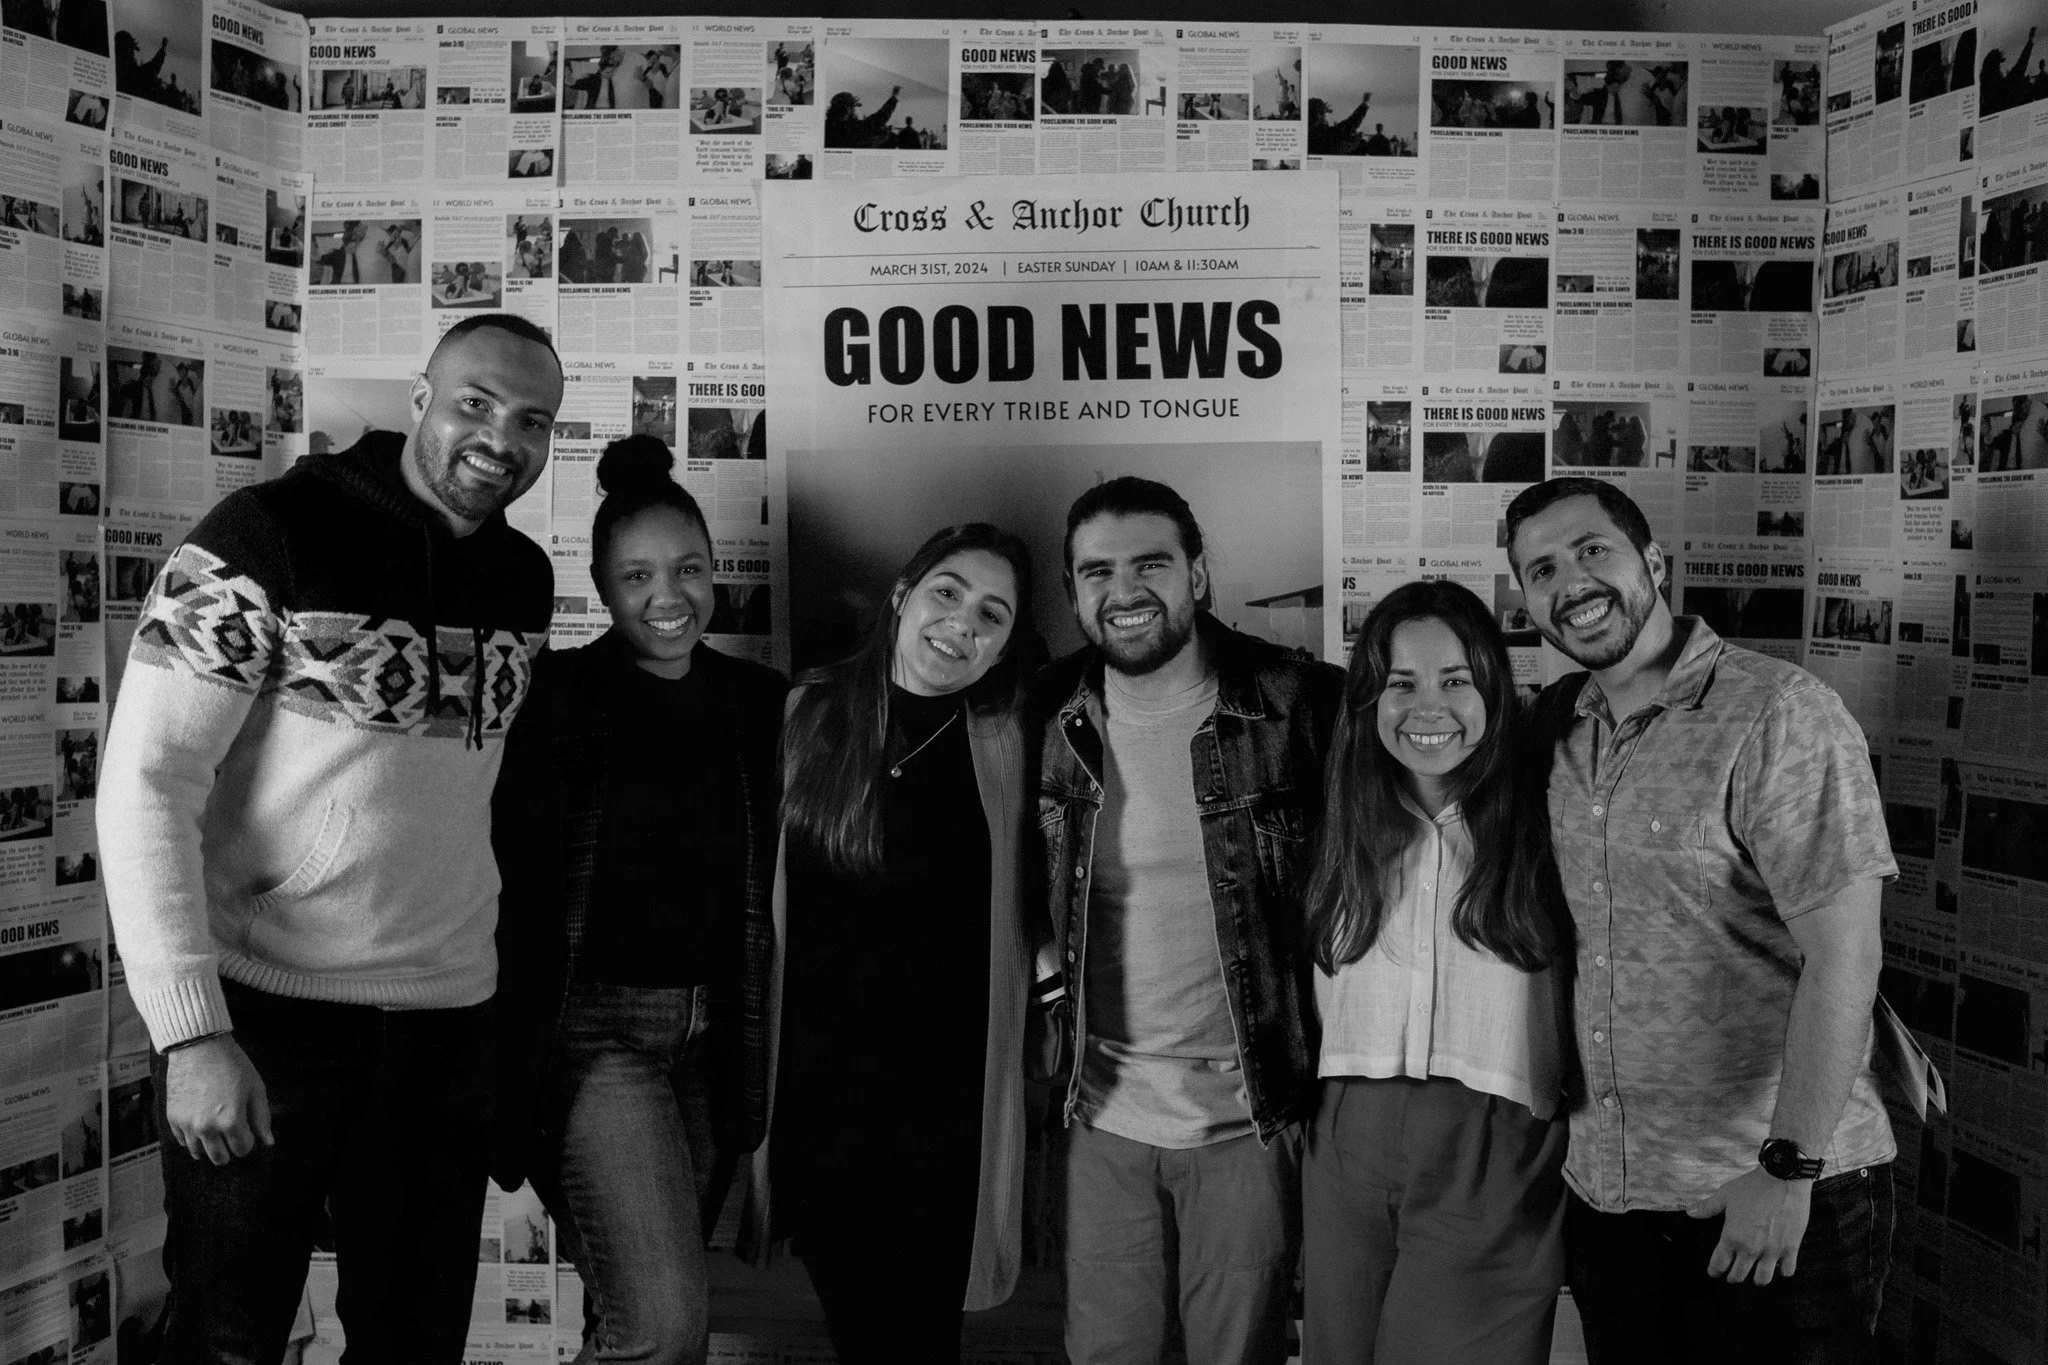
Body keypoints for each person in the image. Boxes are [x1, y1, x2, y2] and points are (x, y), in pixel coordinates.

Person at [97, 313, 565, 1364]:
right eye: (476, 404)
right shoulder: (264, 533)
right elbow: (145, 785)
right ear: (420, 399)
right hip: (268, 1021)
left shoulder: (524, 580)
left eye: (532, 421)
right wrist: (192, 1033)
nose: (501, 438)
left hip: (446, 1029)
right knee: (227, 1340)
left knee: (416, 1345)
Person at [1505, 477, 1898, 1365]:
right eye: (1542, 569)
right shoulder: (1556, 729)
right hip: (1613, 1197)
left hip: (1766, 1191)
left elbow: (1847, 954)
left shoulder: (1777, 712)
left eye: (1591, 550)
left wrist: (1787, 1168)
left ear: (1652, 560)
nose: (1571, 581)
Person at [1033, 476, 1343, 1365]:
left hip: (1248, 1114)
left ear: (1198, 575)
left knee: (1237, 1353)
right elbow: (1019, 886)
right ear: (1074, 592)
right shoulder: (1045, 715)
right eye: (1097, 571)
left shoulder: (1301, 703)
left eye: (1150, 564)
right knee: (1104, 1353)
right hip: (1100, 1115)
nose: (1123, 591)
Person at [493, 436, 787, 1365]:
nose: (670, 596)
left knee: (633, 1315)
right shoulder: (556, 696)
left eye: (690, 568)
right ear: (602, 584)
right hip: (596, 1037)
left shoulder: (762, 702)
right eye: (638, 575)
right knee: (661, 1326)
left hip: (716, 1041)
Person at [765, 523, 1042, 1364]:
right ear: (902, 594)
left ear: (1003, 648)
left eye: (992, 615)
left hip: (945, 1114)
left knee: (923, 1338)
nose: (963, 623)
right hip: (824, 1106)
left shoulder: (1010, 742)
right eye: (948, 592)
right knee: (864, 1331)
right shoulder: (804, 712)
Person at [1298, 580, 1569, 1363]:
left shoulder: (1548, 812)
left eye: (1456, 680)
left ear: (1493, 688)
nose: (1429, 707)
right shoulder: (1337, 815)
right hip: (1346, 1131)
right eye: (1402, 683)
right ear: (1367, 699)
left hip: (1492, 1136)